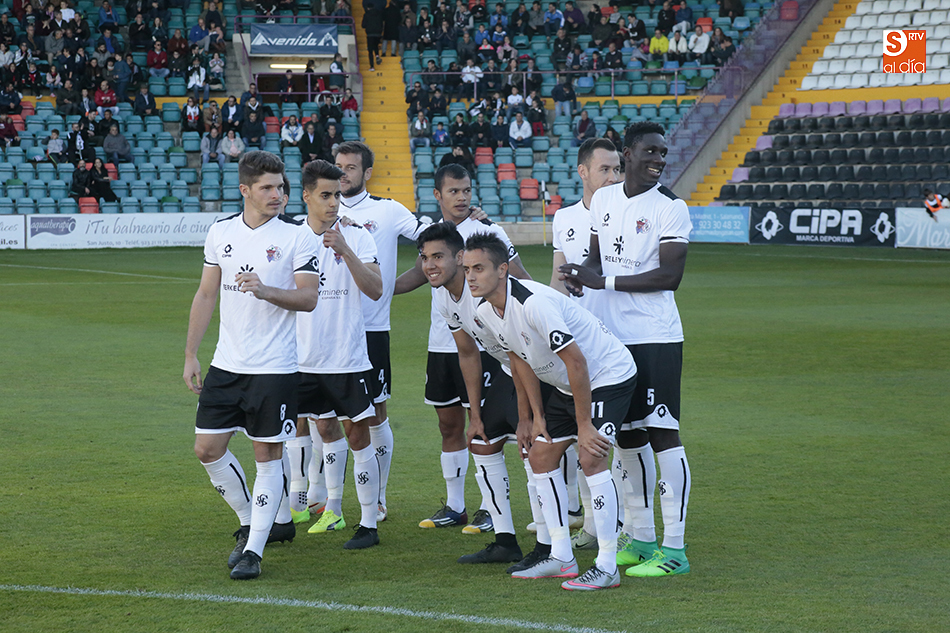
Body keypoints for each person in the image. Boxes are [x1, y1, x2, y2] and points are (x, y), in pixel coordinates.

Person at [558, 121, 694, 578]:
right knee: (628, 440)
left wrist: (605, 280)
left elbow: (669, 277)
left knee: (662, 434)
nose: (659, 159)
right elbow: (596, 260)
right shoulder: (605, 200)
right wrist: (580, 275)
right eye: (650, 151)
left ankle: (674, 549)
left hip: (655, 336)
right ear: (628, 154)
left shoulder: (672, 208)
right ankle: (641, 539)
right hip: (613, 341)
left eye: (663, 152)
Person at [463, 231, 634, 590]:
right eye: (467, 269)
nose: (471, 276)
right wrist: (530, 418)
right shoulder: (484, 311)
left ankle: (606, 565)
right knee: (540, 456)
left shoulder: (534, 302)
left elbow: (577, 362)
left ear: (503, 269)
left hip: (606, 374)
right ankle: (560, 557)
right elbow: (518, 359)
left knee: (590, 457)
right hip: (564, 384)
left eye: (479, 268)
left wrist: (584, 425)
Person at [184, 151, 320, 581]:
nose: (277, 194)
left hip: (274, 369)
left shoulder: (299, 237)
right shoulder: (220, 232)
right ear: (245, 189)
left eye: (280, 186)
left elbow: (308, 298)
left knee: (267, 457)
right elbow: (207, 294)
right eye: (267, 187)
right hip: (227, 365)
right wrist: (191, 353)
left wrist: (266, 290)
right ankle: (252, 520)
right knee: (207, 449)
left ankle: (254, 551)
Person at [392, 164, 531, 535]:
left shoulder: (487, 231)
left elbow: (520, 278)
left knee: (488, 424)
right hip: (444, 342)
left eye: (466, 190)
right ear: (437, 195)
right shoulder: (432, 237)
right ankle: (455, 505)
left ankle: (490, 508)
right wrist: (376, 287)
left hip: (486, 343)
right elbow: (417, 276)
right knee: (448, 423)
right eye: (453, 191)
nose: (462, 198)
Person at [328, 141, 428, 521]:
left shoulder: (387, 211)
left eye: (351, 167)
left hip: (371, 328)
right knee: (326, 417)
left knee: (374, 412)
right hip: (329, 328)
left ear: (367, 173)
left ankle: (379, 496)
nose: (343, 173)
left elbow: (431, 238)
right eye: (339, 166)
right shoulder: (323, 211)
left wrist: (398, 284)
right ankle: (325, 499)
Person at [291, 159, 385, 549]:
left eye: (338, 195)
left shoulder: (358, 235)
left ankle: (368, 523)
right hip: (302, 356)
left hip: (346, 355)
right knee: (321, 428)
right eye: (326, 195)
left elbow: (377, 289)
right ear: (307, 196)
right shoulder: (292, 236)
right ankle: (330, 508)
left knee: (357, 432)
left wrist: (345, 250)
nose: (333, 203)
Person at [548, 138, 622, 547]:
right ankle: (595, 525)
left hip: (622, 343)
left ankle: (630, 527)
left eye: (616, 169)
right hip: (580, 346)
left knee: (625, 437)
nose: (612, 176)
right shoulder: (564, 219)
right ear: (583, 172)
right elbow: (558, 278)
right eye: (604, 169)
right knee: (585, 436)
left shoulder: (629, 214)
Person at [363, 4, 384, 70]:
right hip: (378, 33)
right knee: (376, 45)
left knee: (370, 50)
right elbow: (381, 23)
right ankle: (377, 56)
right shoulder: (379, 14)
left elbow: (363, 25)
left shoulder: (366, 14)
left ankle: (372, 66)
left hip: (370, 34)